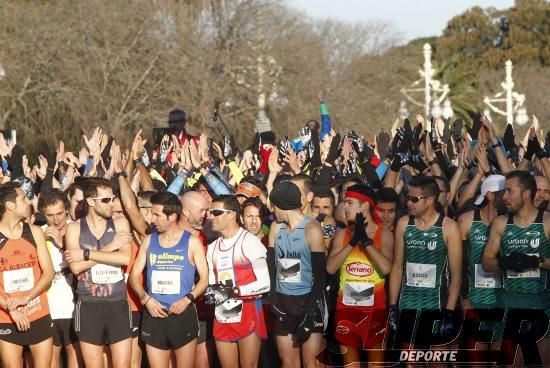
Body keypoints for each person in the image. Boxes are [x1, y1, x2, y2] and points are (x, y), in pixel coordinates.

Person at [130, 191, 208, 368]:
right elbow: (134, 276)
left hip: (182, 314)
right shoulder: (149, 241)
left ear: (172, 216)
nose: (152, 219)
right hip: (154, 313)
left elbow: (204, 279)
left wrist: (188, 299)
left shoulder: (192, 242)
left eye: (156, 214)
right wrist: (145, 298)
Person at [482, 170, 549, 366]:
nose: (504, 196)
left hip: (540, 307)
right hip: (507, 305)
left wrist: (535, 262)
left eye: (510, 191)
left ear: (526, 194)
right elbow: (486, 261)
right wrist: (505, 262)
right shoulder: (501, 223)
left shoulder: (547, 222)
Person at [64, 178, 133, 368]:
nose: (111, 204)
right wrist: (111, 247)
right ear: (91, 201)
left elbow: (125, 259)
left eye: (112, 199)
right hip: (88, 305)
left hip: (117, 302)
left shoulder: (120, 223)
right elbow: (76, 268)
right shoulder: (74, 228)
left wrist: (86, 254)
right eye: (105, 200)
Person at [388, 176, 462, 346]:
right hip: (408, 304)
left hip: (437, 304)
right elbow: (397, 267)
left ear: (430, 201)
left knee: (437, 361)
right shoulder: (404, 223)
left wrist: (449, 312)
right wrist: (393, 306)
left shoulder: (449, 227)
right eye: (407, 197)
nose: (408, 203)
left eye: (414, 199)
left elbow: (456, 275)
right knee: (410, 361)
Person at [326, 184, 394, 365]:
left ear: (364, 205)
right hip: (346, 312)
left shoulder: (385, 235)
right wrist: (352, 243)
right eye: (344, 202)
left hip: (375, 312)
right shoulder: (342, 235)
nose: (344, 207)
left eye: (349, 202)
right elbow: (331, 268)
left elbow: (386, 268)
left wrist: (366, 242)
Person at [205, 195, 270, 368]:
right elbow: (212, 284)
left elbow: (265, 284)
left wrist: (234, 292)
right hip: (222, 316)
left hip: (248, 312)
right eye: (210, 212)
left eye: (216, 212)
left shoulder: (249, 242)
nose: (210, 216)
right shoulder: (212, 248)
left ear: (232, 214)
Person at [268, 181, 326, 368]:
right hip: (284, 302)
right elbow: (272, 267)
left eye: (273, 205)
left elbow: (320, 275)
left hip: (308, 301)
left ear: (280, 205)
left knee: (312, 364)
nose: (271, 210)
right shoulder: (276, 228)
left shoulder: (312, 229)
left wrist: (310, 314)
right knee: (288, 363)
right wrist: (273, 300)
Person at [0, 183, 55, 368]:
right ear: (10, 205)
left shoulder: (34, 231)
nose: (29, 202)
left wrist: (26, 297)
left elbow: (49, 273)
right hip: (7, 317)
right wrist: (11, 309)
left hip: (38, 312)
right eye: (23, 198)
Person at [458, 175, 505, 353]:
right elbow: (457, 264)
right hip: (475, 301)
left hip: (501, 301)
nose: (507, 197)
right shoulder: (467, 220)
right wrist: (464, 300)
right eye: (504, 192)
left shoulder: (509, 222)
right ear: (491, 195)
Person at [38, 189, 83, 368]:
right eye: (50, 215)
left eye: (59, 213)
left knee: (74, 348)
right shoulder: (38, 233)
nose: (56, 220)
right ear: (42, 213)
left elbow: (83, 264)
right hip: (48, 301)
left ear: (66, 209)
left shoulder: (78, 228)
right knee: (52, 351)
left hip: (74, 299)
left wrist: (62, 244)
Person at [179, 191, 216, 368]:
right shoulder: (167, 234)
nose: (206, 215)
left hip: (202, 311)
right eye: (202, 211)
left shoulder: (210, 234)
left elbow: (233, 204)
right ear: (185, 212)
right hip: (173, 311)